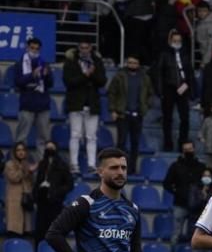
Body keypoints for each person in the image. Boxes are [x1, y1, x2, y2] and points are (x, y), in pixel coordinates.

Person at [63, 41, 107, 176]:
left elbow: (102, 81)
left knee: (91, 136)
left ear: (91, 48)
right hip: (76, 103)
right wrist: (85, 75)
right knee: (75, 135)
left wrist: (92, 74)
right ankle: (74, 164)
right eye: (81, 47)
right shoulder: (70, 61)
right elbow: (68, 82)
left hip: (92, 103)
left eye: (86, 47)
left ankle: (91, 164)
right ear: (78, 48)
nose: (84, 50)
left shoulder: (97, 61)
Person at [107, 55, 153, 171]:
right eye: (130, 63)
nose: (132, 65)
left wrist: (146, 107)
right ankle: (119, 167)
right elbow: (112, 93)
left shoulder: (145, 78)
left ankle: (132, 168)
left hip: (137, 115)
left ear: (138, 64)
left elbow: (150, 94)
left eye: (135, 63)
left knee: (135, 143)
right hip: (122, 114)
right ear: (127, 63)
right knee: (121, 142)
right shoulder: (120, 76)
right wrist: (113, 110)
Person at [152, 30, 195, 152]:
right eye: (174, 41)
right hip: (168, 88)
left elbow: (190, 73)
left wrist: (191, 90)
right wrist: (160, 91)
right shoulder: (164, 54)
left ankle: (183, 142)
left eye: (179, 41)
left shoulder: (185, 55)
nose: (177, 43)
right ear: (170, 41)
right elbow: (159, 73)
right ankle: (168, 143)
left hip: (183, 88)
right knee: (167, 118)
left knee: (185, 118)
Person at [14, 37, 53, 159]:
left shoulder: (44, 64)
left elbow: (50, 84)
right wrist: (32, 75)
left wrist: (46, 76)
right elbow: (18, 82)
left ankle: (42, 166)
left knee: (44, 139)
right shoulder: (20, 64)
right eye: (32, 48)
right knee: (21, 138)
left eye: (37, 48)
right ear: (27, 48)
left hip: (42, 106)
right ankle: (19, 166)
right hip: (27, 105)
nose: (34, 50)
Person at [163, 141, 208, 243]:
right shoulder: (175, 166)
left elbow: (207, 180)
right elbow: (166, 183)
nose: (188, 151)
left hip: (197, 206)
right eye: (186, 150)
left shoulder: (201, 166)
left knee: (195, 235)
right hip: (180, 204)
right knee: (175, 234)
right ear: (182, 151)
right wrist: (177, 192)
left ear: (194, 149)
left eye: (190, 149)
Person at [33, 142, 74, 245]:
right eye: (47, 148)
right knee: (40, 231)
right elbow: (37, 181)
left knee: (54, 230)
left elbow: (69, 184)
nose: (49, 149)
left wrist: (56, 191)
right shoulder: (42, 164)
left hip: (55, 202)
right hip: (42, 202)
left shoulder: (62, 164)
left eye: (52, 147)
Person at [4, 142, 36, 238]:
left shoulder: (28, 164)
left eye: (23, 150)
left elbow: (31, 182)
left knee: (26, 230)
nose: (21, 152)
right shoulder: (9, 164)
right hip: (14, 201)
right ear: (15, 152)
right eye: (18, 150)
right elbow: (14, 178)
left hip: (26, 201)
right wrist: (25, 170)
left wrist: (30, 173)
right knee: (14, 229)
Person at [192, 2, 212, 67]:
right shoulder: (201, 22)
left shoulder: (211, 25)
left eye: (204, 11)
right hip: (204, 54)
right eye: (199, 11)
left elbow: (211, 45)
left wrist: (205, 61)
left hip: (209, 58)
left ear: (209, 11)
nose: (201, 13)